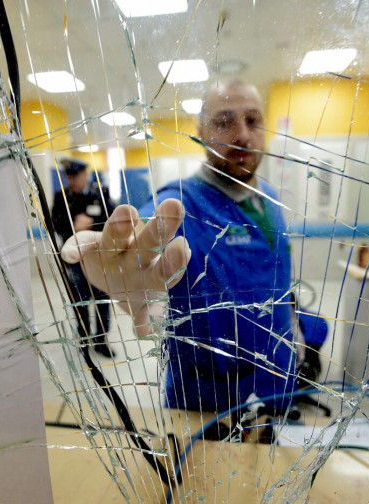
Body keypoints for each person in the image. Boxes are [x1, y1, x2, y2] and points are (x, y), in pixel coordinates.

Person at [61, 79, 298, 412]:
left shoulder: (269, 199)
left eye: (253, 120)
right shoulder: (181, 201)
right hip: (206, 393)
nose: (243, 134)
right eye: (224, 121)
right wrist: (122, 259)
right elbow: (148, 227)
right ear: (200, 130)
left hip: (278, 378)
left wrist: (295, 335)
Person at [51, 159, 117, 358]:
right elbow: (55, 224)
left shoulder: (100, 193)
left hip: (99, 258)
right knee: (78, 300)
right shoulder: (61, 197)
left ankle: (100, 340)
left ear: (85, 175)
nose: (71, 181)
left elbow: (113, 219)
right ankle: (84, 337)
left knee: (102, 300)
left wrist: (92, 223)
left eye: (75, 177)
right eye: (68, 177)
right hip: (75, 260)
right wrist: (74, 225)